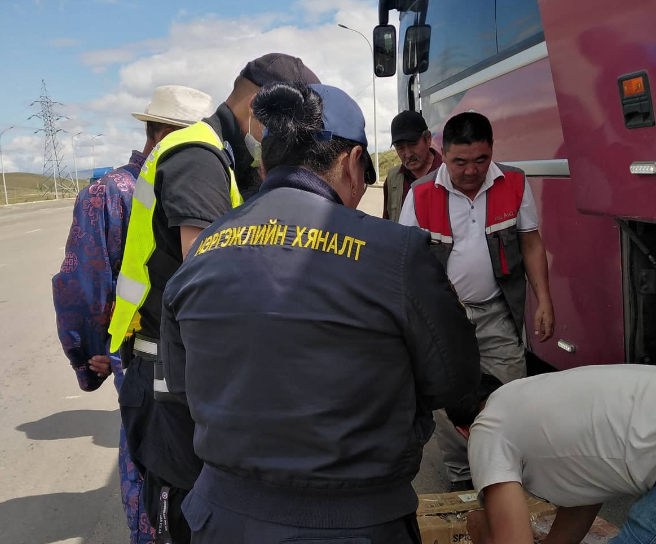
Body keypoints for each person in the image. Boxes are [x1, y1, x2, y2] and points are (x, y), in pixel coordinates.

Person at [160, 81, 480, 543]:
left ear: (265, 163)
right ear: (352, 163)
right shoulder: (397, 252)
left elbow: (182, 384)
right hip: (355, 522)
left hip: (221, 519)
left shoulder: (202, 250)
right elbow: (455, 379)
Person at [107, 54, 321, 544]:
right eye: (282, 122)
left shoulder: (222, 152)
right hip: (167, 368)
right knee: (185, 509)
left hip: (177, 361)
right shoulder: (198, 155)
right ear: (257, 106)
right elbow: (207, 273)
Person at [52, 84, 214, 544]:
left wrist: (88, 356)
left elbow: (82, 285)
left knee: (146, 470)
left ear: (150, 129)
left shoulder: (109, 192)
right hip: (188, 360)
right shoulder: (207, 179)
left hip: (139, 358)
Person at [399, 111, 555, 490]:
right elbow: (404, 263)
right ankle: (463, 479)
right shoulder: (419, 196)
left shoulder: (514, 183)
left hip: (496, 312)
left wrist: (545, 300)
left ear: (492, 152)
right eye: (460, 162)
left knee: (511, 391)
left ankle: (514, 474)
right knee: (450, 402)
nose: (471, 171)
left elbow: (531, 243)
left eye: (481, 160)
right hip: (445, 319)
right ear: (444, 154)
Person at [445, 367, 656, 544]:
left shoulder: (485, 427)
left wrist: (481, 530)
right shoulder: (528, 394)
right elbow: (586, 492)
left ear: (463, 431)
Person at [383, 110, 442, 221]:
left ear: (428, 139)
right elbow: (387, 224)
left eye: (413, 144)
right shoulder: (392, 179)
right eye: (400, 148)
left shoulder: (448, 173)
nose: (408, 154)